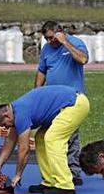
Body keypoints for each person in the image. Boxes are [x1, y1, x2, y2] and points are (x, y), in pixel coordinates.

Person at [0, 85, 90, 194]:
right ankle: (50, 182)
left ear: (6, 116)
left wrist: (18, 174)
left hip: (75, 104)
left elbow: (24, 149)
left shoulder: (20, 114)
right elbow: (10, 142)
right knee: (41, 138)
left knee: (53, 138)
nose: (6, 128)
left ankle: (65, 185)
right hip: (67, 105)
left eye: (4, 125)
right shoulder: (15, 112)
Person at [35, 21, 89, 185]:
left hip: (73, 98)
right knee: (55, 135)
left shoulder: (76, 43)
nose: (50, 42)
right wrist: (37, 91)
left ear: (60, 32)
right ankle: (60, 171)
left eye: (52, 38)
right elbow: (42, 71)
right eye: (47, 39)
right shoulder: (46, 49)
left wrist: (65, 42)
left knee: (69, 136)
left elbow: (83, 59)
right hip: (52, 100)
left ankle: (72, 172)